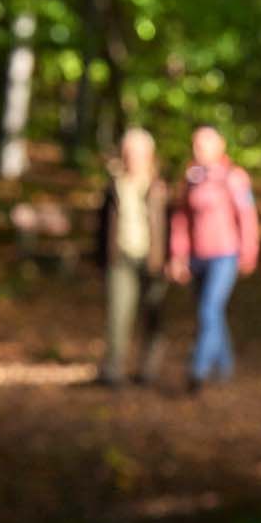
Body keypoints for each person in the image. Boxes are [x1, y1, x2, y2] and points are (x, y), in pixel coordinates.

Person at [167, 125, 259, 391]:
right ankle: (225, 366)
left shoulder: (234, 177)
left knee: (209, 309)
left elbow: (247, 217)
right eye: (195, 145)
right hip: (198, 256)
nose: (199, 150)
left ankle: (198, 369)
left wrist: (248, 251)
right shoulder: (191, 177)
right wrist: (178, 254)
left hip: (225, 256)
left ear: (219, 147)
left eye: (204, 145)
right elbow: (181, 219)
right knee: (211, 312)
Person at [95, 127, 167, 387]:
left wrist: (172, 258)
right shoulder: (114, 186)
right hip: (121, 257)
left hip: (154, 260)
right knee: (118, 315)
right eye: (129, 153)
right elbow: (102, 226)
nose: (133, 159)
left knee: (153, 316)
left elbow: (173, 226)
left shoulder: (160, 187)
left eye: (138, 153)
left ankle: (149, 370)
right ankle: (113, 370)